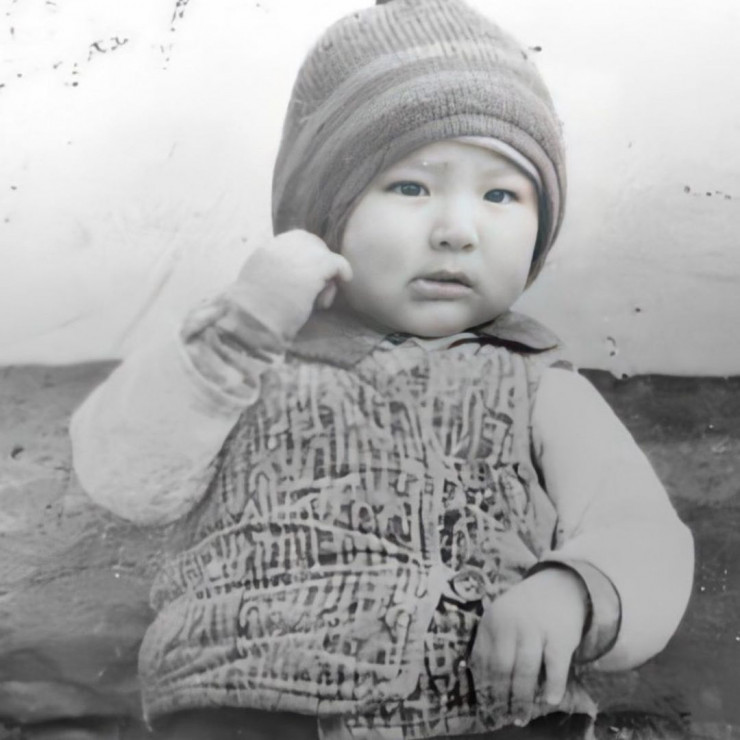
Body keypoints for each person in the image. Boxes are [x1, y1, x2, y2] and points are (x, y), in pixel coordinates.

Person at [70, 1, 694, 738]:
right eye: (411, 187)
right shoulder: (246, 356)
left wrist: (575, 593)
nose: (457, 230)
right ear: (324, 212)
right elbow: (122, 478)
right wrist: (243, 325)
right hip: (239, 708)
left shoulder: (539, 385)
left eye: (500, 195)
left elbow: (641, 530)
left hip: (483, 713)